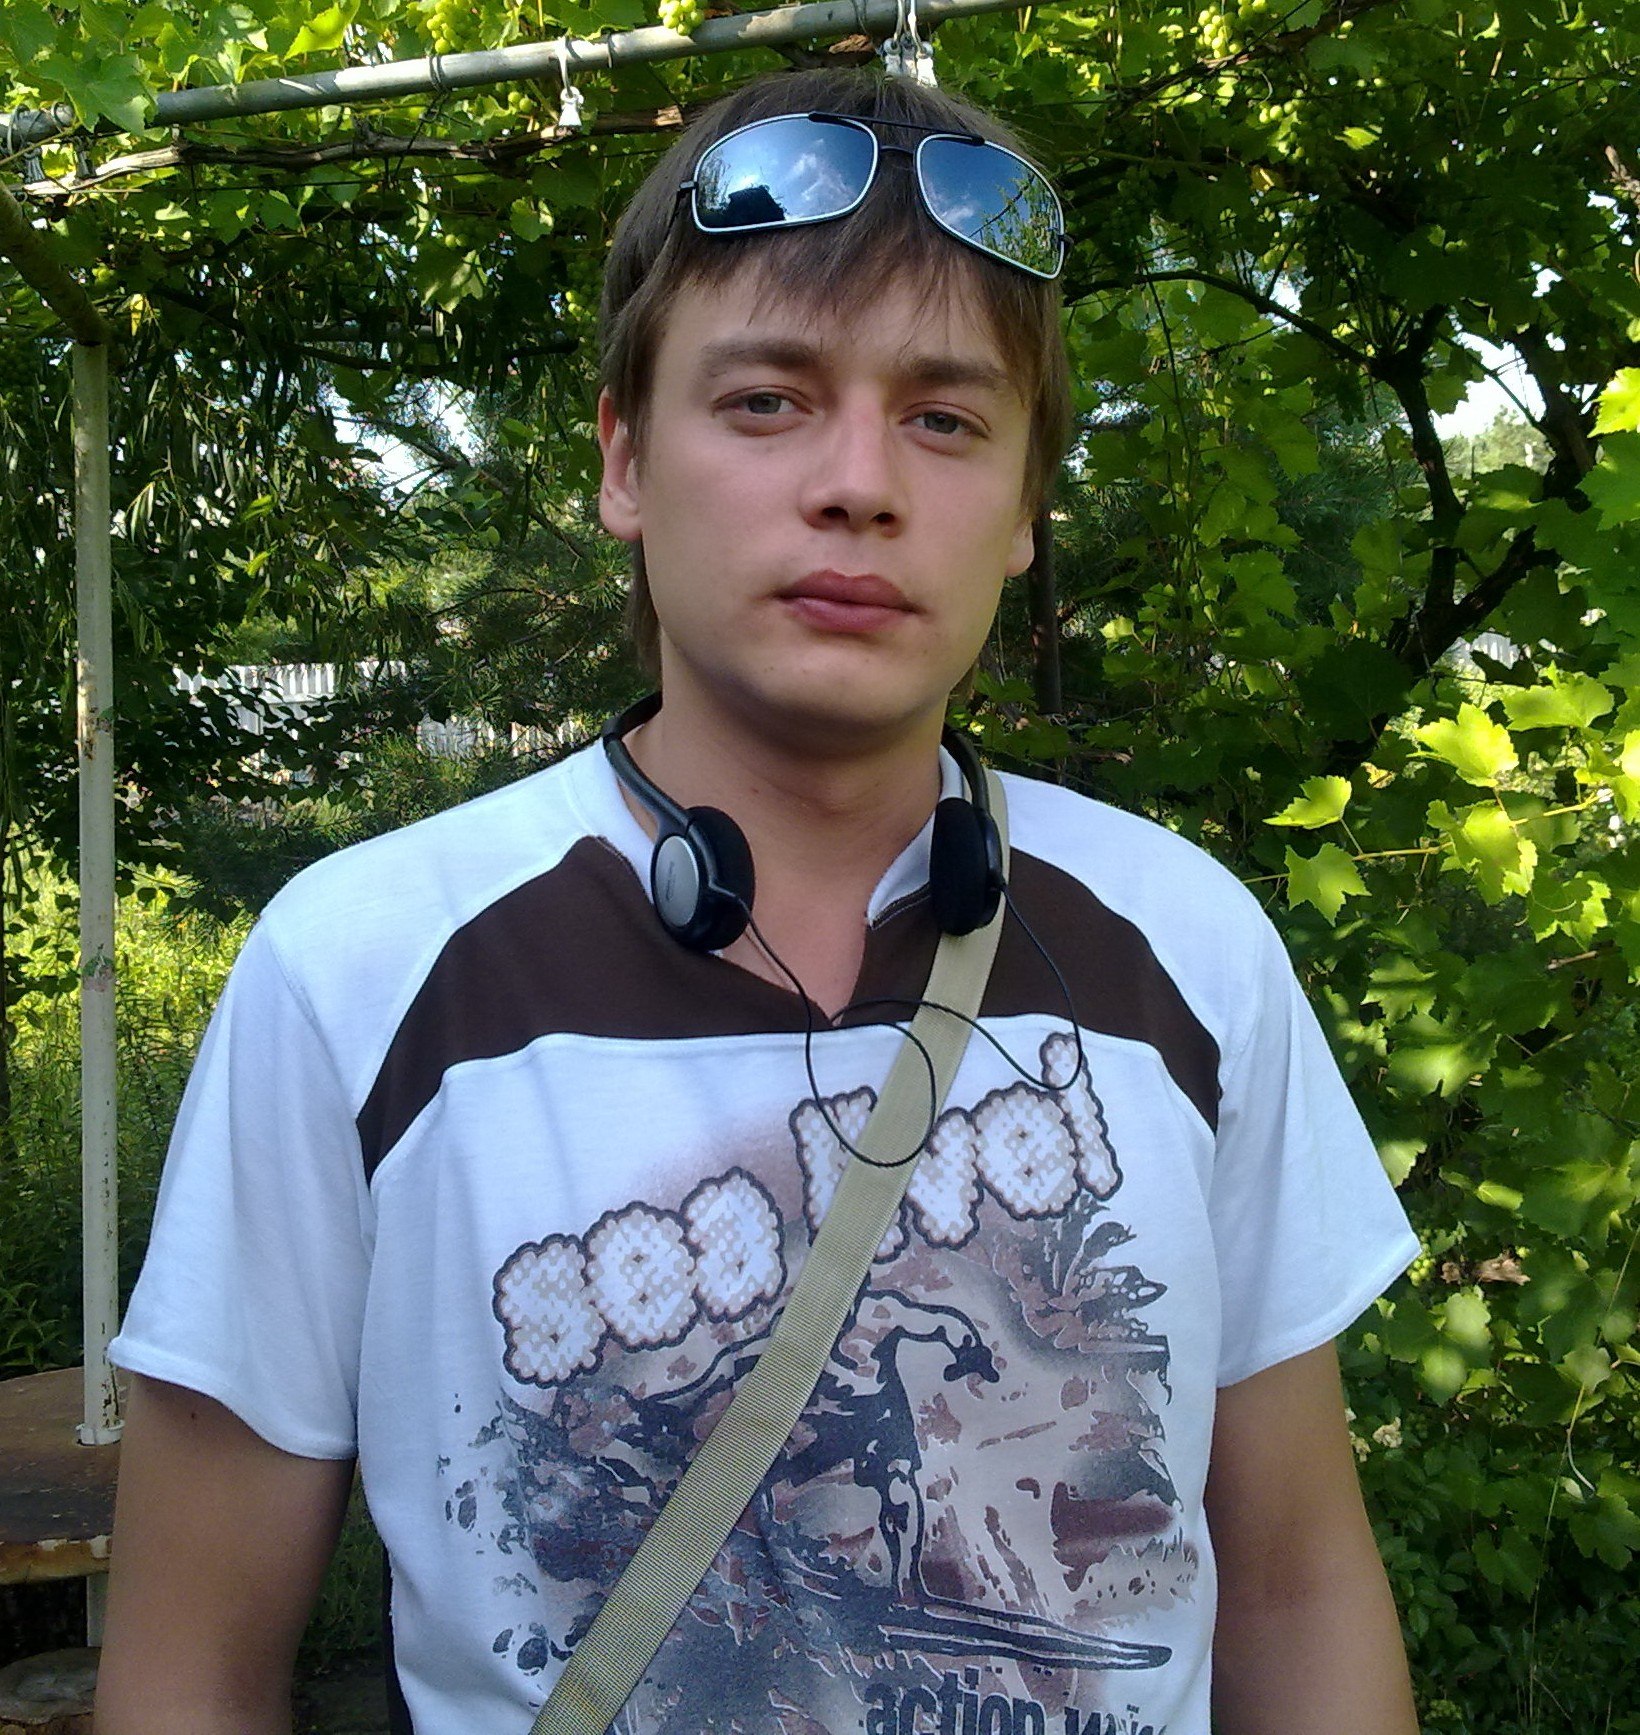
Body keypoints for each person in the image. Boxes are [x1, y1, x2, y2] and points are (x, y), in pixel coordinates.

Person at [95, 64, 1421, 1735]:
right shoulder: (357, 972)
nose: (861, 481)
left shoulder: (1189, 948)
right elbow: (192, 1665)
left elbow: (1298, 1583)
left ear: (1026, 510)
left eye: (946, 419)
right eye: (768, 400)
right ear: (624, 463)